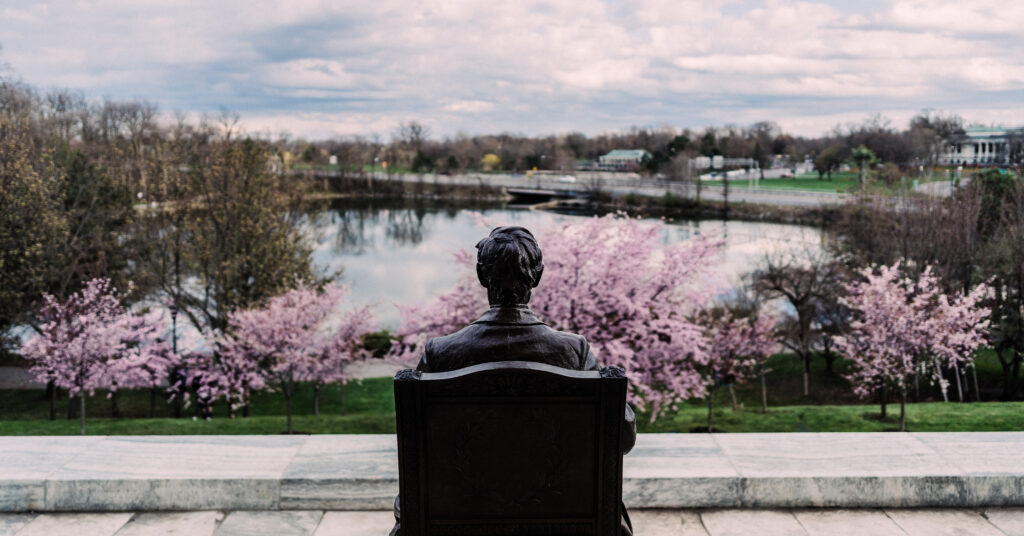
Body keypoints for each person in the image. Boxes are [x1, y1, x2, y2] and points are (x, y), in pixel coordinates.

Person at [392, 226, 636, 536]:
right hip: (560, 521)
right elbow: (622, 437)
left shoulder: (440, 352)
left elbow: (416, 445)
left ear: (482, 276)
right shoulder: (574, 351)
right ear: (537, 275)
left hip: (463, 521)